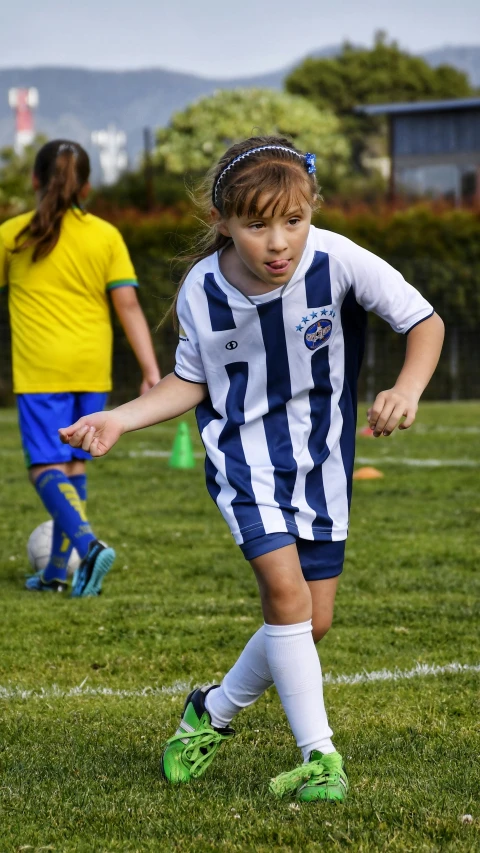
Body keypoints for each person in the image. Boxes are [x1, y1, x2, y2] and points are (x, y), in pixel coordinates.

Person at [59, 136, 444, 800]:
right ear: (223, 222)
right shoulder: (201, 292)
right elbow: (190, 384)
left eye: (292, 221)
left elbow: (423, 322)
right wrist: (121, 416)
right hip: (245, 465)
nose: (277, 241)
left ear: (311, 210)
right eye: (256, 224)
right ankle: (320, 757)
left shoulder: (338, 258)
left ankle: (210, 711)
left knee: (309, 622)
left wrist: (406, 389)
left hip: (323, 466)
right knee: (287, 600)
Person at [0, 139, 160, 595]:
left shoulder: (13, 234)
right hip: (92, 367)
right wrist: (150, 370)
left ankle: (88, 548)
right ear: (87, 186)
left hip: (41, 369)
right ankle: (55, 574)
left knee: (43, 466)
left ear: (34, 180)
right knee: (74, 467)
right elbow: (127, 305)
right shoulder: (105, 235)